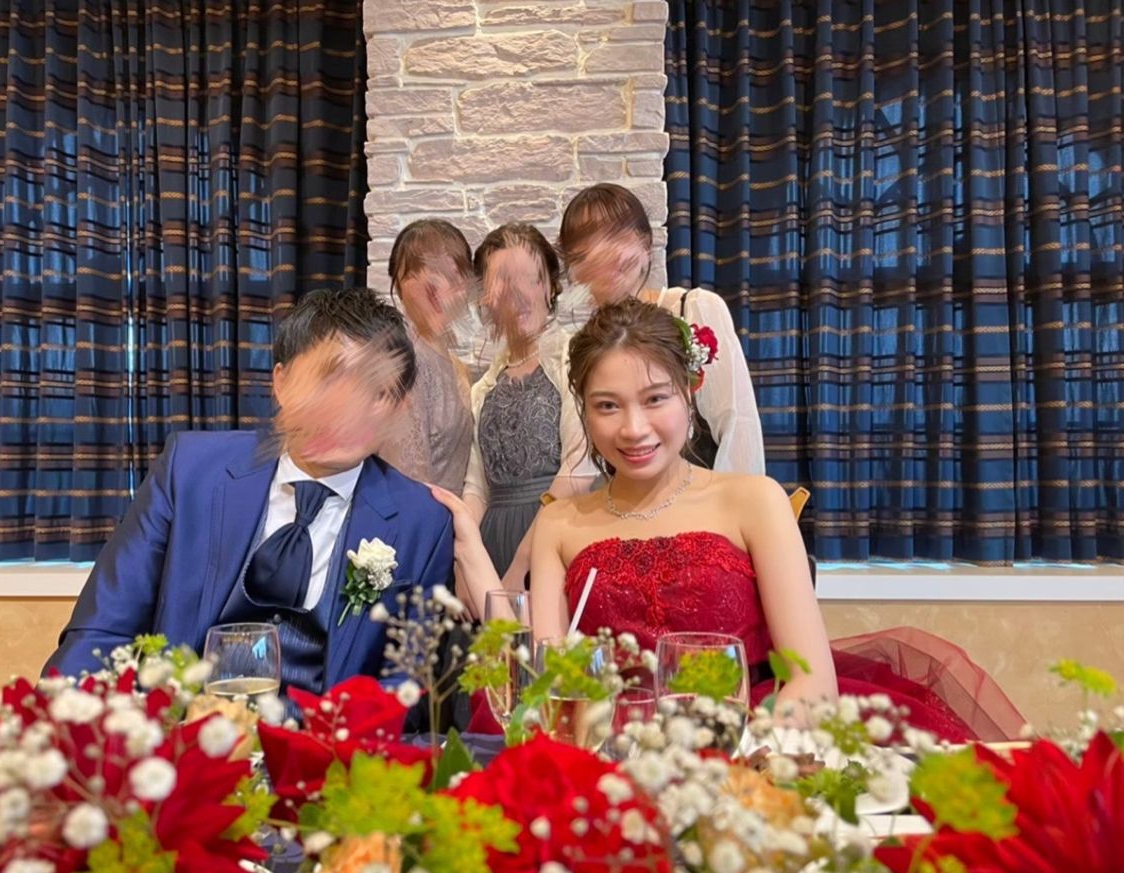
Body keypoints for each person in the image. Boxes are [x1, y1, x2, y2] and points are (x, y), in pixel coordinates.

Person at [435, 298, 1025, 740]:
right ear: (584, 413)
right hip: (612, 756)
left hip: (753, 742)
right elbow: (545, 683)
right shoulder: (560, 523)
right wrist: (471, 552)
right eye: (607, 406)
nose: (633, 429)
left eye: (655, 399)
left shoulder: (754, 501)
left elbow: (811, 679)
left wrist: (731, 760)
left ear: (690, 395)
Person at [45, 288, 455, 697]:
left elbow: (408, 684)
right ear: (281, 383)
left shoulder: (422, 522)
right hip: (187, 726)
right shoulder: (190, 471)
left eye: (378, 392)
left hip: (325, 735)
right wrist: (68, 718)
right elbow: (103, 631)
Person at [559, 183, 766, 475]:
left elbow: (737, 424)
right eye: (585, 250)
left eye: (616, 238)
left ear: (645, 245)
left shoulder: (693, 308)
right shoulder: (584, 345)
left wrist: (733, 500)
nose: (602, 255)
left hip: (702, 493)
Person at [463, 223, 597, 588]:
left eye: (531, 280)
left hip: (557, 539)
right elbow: (475, 487)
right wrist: (465, 561)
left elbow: (578, 467)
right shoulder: (482, 390)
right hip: (491, 549)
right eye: (503, 283)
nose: (518, 295)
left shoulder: (575, 361)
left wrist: (522, 564)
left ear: (550, 286)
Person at [378, 220, 475, 496]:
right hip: (421, 515)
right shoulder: (403, 364)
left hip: (458, 513)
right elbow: (408, 480)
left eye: (449, 275)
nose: (434, 289)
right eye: (415, 274)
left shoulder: (457, 367)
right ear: (398, 288)